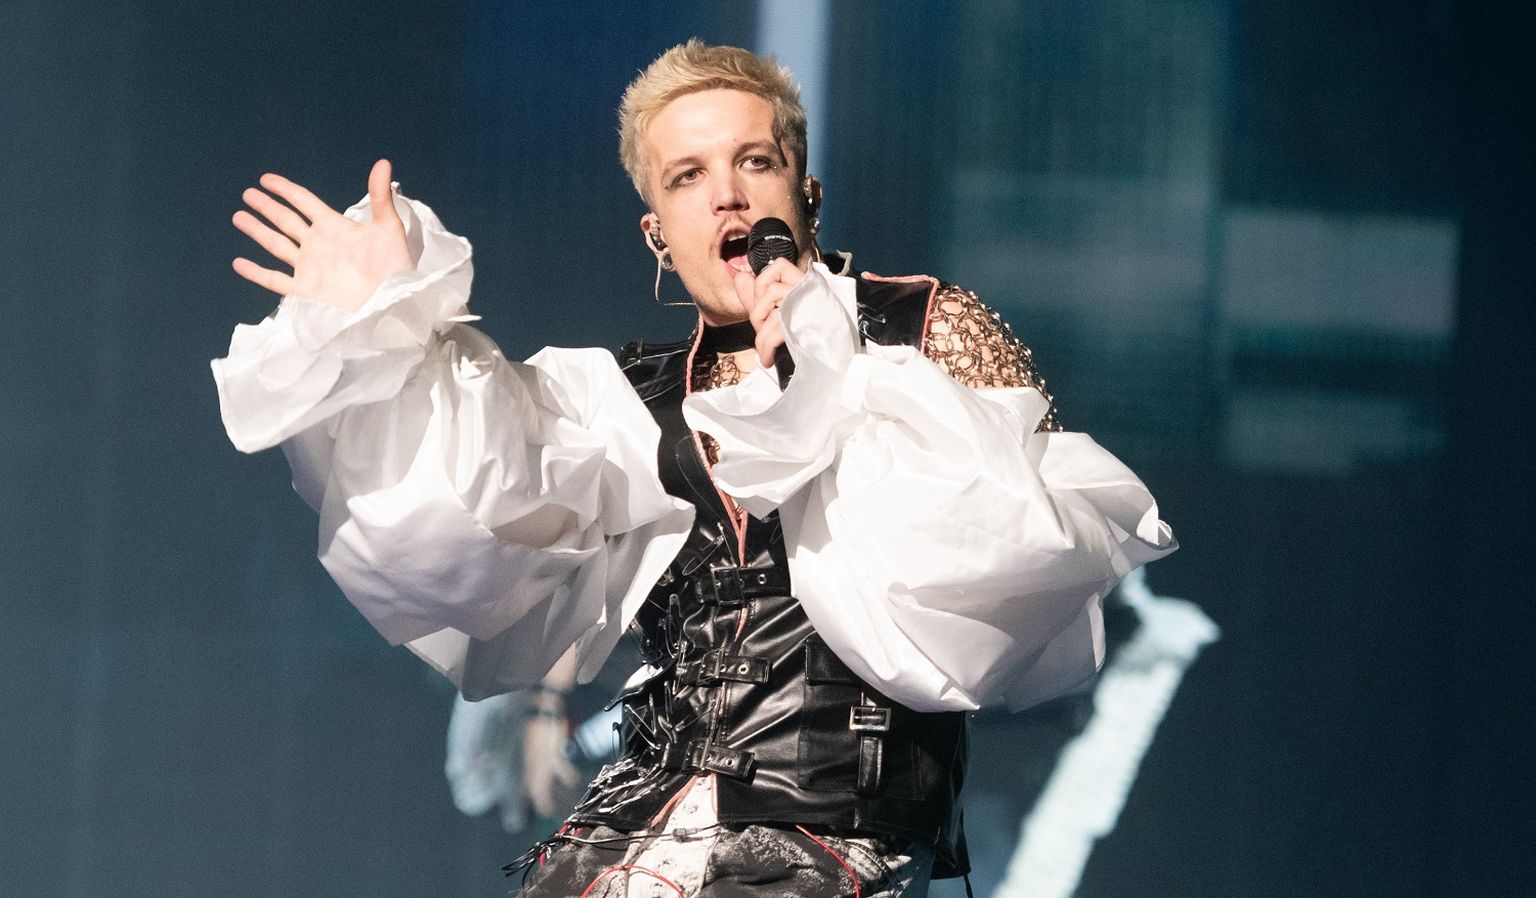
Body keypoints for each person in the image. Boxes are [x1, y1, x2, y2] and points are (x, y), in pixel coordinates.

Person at [212, 40, 1175, 898]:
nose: (729, 195)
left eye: (756, 161)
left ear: (806, 193)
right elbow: (476, 512)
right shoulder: (626, 397)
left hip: (835, 838)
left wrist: (831, 365)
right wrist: (389, 328)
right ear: (658, 235)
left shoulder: (921, 329)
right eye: (688, 176)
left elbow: (1019, 554)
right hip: (643, 828)